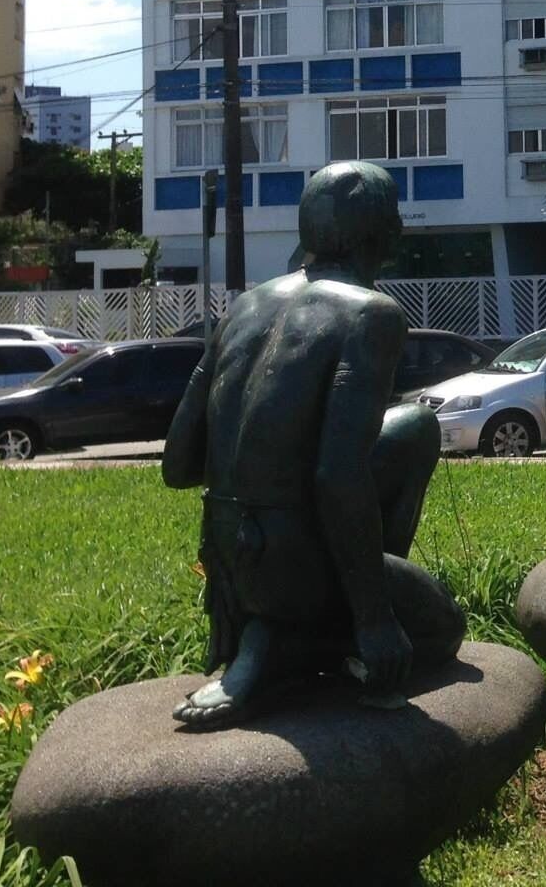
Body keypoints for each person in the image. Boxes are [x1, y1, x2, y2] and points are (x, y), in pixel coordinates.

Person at [161, 161, 464, 727]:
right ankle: (298, 645)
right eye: (394, 216)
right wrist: (376, 618)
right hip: (292, 568)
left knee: (414, 426)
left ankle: (277, 628)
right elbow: (336, 473)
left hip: (229, 564)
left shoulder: (246, 307)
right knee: (442, 629)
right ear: (382, 232)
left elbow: (177, 466)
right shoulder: (372, 314)